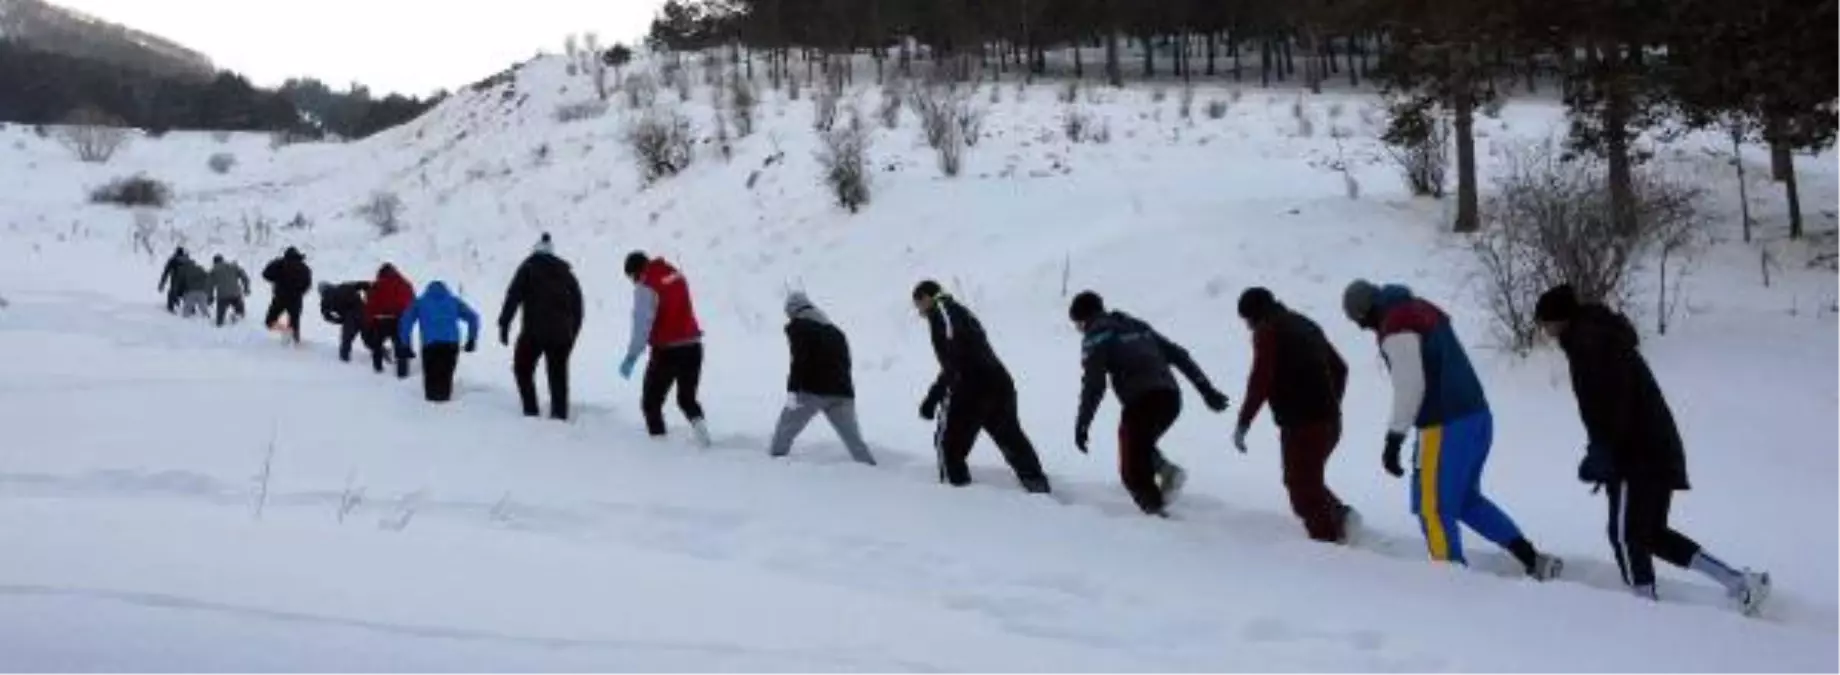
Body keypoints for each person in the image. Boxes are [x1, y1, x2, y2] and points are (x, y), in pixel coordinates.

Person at [1535, 285, 1770, 614]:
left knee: (1626, 535)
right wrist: (1602, 446)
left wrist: (1605, 450)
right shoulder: (1597, 335)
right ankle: (1741, 583)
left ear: (1559, 319)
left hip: (1636, 453)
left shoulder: (1589, 344)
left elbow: (1615, 402)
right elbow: (1609, 403)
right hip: (1654, 446)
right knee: (1651, 534)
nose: (1543, 330)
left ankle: (1643, 612)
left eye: (1544, 323)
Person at [1342, 279, 1560, 579]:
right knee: (1465, 500)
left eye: (1359, 321)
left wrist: (1394, 439)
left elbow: (1410, 384)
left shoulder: (1396, 325)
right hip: (1476, 416)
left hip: (1444, 424)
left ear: (1366, 312)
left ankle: (1452, 584)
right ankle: (1533, 559)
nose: (1361, 328)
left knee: (1432, 508)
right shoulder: (1419, 309)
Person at [1069, 291, 1229, 516]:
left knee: (1131, 468)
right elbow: (1178, 354)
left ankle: (1156, 518)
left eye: (1078, 325)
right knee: (1137, 445)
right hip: (1171, 398)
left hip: (1142, 401)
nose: (1080, 330)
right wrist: (1206, 389)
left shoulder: (1096, 334)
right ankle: (1166, 472)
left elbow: (1094, 384)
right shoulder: (1136, 325)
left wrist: (1083, 423)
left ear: (1084, 319)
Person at [1234, 287, 1355, 543]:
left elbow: (1261, 379)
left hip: (1303, 423)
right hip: (1330, 421)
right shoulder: (1304, 323)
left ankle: (1330, 544)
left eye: (1247, 320)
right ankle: (1342, 517)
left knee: (1301, 489)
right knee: (1306, 479)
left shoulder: (1267, 330)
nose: (1248, 327)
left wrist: (1244, 422)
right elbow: (1341, 368)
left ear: (1254, 315)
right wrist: (1331, 404)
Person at [913, 280, 1051, 494]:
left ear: (926, 298)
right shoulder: (960, 311)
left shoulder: (943, 313)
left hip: (971, 387)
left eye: (918, 305)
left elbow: (954, 360)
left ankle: (957, 497)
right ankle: (1038, 487)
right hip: (998, 382)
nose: (919, 312)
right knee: (1011, 438)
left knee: (949, 447)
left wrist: (933, 398)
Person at [768, 292, 875, 465]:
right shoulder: (836, 331)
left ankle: (774, 464)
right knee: (853, 439)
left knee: (785, 428)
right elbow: (846, 362)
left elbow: (799, 360)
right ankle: (870, 468)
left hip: (811, 391)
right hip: (843, 393)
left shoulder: (799, 325)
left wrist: (792, 390)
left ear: (792, 311)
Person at [620, 251, 709, 446]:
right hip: (693, 346)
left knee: (650, 403)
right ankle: (705, 441)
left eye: (632, 278)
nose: (634, 283)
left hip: (668, 351)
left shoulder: (646, 287)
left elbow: (641, 326)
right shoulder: (675, 273)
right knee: (687, 399)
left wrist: (631, 357)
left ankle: (658, 448)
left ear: (637, 272)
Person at [499, 234, 583, 420]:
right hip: (561, 334)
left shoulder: (528, 267)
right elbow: (578, 307)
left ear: (535, 250)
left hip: (533, 332)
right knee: (558, 375)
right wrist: (572, 334)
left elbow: (513, 296)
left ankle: (531, 410)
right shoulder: (567, 274)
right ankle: (559, 415)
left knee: (522, 368)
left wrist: (504, 324)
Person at [399, 281, 480, 403]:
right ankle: (445, 407)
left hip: (430, 345)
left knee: (431, 379)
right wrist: (471, 339)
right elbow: (473, 317)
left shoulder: (421, 302)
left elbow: (405, 321)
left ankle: (430, 409)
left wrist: (404, 344)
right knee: (446, 377)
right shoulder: (453, 301)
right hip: (451, 345)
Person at [364, 264, 416, 378]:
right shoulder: (406, 285)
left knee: (377, 345)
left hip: (381, 320)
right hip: (400, 320)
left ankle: (378, 370)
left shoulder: (376, 285)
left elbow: (370, 304)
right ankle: (402, 374)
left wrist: (369, 320)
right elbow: (412, 302)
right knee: (401, 346)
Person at [262, 247, 313, 344]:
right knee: (294, 323)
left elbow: (265, 274)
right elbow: (308, 284)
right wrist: (300, 292)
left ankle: (285, 330)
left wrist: (275, 265)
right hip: (296, 299)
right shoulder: (304, 267)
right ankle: (294, 341)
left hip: (280, 298)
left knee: (269, 321)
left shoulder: (280, 264)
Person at [317, 280, 371, 362]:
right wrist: (369, 296)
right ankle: (382, 353)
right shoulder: (344, 286)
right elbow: (365, 285)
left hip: (350, 318)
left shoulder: (325, 301)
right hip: (363, 311)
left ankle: (344, 360)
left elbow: (327, 316)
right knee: (368, 337)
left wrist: (340, 320)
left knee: (346, 339)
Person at [207, 255, 251, 326]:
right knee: (240, 313)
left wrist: (210, 297)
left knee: (219, 320)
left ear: (214, 262)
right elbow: (245, 278)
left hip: (222, 296)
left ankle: (220, 324)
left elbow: (209, 285)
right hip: (235, 294)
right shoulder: (233, 266)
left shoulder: (213, 270)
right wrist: (246, 288)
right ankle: (237, 319)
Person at [158, 247, 190, 313]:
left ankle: (170, 307)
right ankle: (191, 309)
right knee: (185, 294)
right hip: (185, 281)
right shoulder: (187, 260)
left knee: (172, 293)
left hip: (176, 280)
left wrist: (162, 284)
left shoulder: (173, 260)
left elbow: (166, 272)